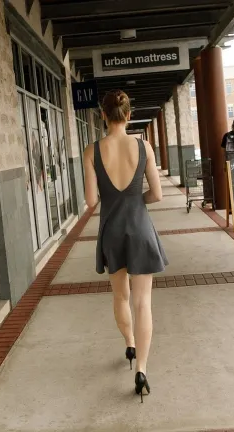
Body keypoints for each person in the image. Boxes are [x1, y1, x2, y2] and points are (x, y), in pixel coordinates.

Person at [83, 89, 168, 403]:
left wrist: (113, 200)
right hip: (140, 228)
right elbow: (157, 194)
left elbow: (91, 200)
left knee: (121, 296)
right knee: (143, 302)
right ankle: (142, 369)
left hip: (112, 231)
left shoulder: (92, 151)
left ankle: (129, 343)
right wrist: (136, 200)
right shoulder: (143, 147)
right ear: (129, 115)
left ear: (102, 115)